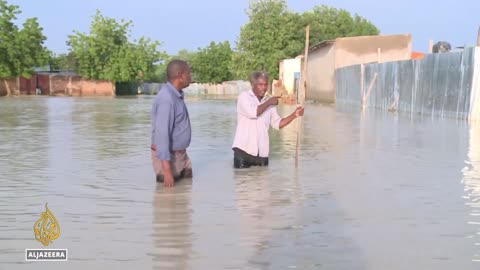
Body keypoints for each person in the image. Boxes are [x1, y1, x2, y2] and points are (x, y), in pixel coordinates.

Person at [232, 71, 304, 168]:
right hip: (243, 152)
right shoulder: (244, 97)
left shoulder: (268, 102)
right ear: (253, 84)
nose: (264, 88)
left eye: (266, 85)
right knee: (243, 181)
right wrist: (269, 102)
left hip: (262, 154)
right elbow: (253, 113)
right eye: (260, 85)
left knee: (263, 181)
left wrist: (295, 114)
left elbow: (278, 124)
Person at [151, 59, 193, 187]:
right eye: (188, 73)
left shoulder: (176, 95)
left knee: (185, 192)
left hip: (181, 155)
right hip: (168, 158)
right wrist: (167, 170)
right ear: (180, 76)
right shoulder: (167, 99)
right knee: (167, 201)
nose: (190, 76)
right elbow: (162, 135)